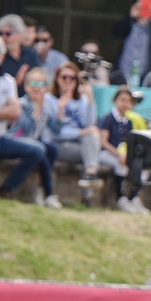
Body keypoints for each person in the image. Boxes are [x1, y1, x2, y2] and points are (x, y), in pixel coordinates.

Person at [0, 34, 46, 199]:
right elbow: (8, 112)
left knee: (37, 150)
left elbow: (15, 112)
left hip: (1, 137)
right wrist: (1, 113)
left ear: (2, 56)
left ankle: (7, 189)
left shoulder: (8, 81)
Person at [44, 61, 105, 203]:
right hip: (56, 145)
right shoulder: (49, 100)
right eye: (64, 77)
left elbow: (89, 124)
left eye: (72, 78)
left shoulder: (81, 100)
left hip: (78, 144)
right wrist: (79, 131)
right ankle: (87, 196)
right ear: (57, 79)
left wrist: (91, 100)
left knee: (91, 139)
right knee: (90, 150)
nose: (68, 81)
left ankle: (90, 174)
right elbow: (54, 134)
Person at [6, 66, 62, 209]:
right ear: (25, 87)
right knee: (41, 152)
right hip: (17, 140)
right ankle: (48, 193)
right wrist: (37, 110)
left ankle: (41, 185)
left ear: (46, 88)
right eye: (32, 83)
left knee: (53, 149)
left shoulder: (47, 107)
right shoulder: (21, 104)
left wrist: (60, 111)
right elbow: (28, 128)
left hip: (35, 142)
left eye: (41, 84)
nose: (36, 88)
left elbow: (56, 130)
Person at [98, 86, 148, 214]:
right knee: (120, 165)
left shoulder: (129, 121)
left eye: (129, 101)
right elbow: (103, 142)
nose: (125, 103)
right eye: (122, 99)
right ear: (115, 100)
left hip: (123, 154)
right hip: (107, 153)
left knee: (143, 167)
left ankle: (133, 197)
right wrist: (118, 154)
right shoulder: (108, 118)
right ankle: (120, 198)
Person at [113, 0, 151, 84]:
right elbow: (117, 32)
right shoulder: (130, 24)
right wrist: (129, 16)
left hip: (147, 75)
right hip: (123, 73)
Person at [0, 14, 41, 95]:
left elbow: (39, 79)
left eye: (8, 34)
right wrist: (15, 82)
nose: (3, 37)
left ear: (20, 34)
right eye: (1, 33)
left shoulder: (31, 54)